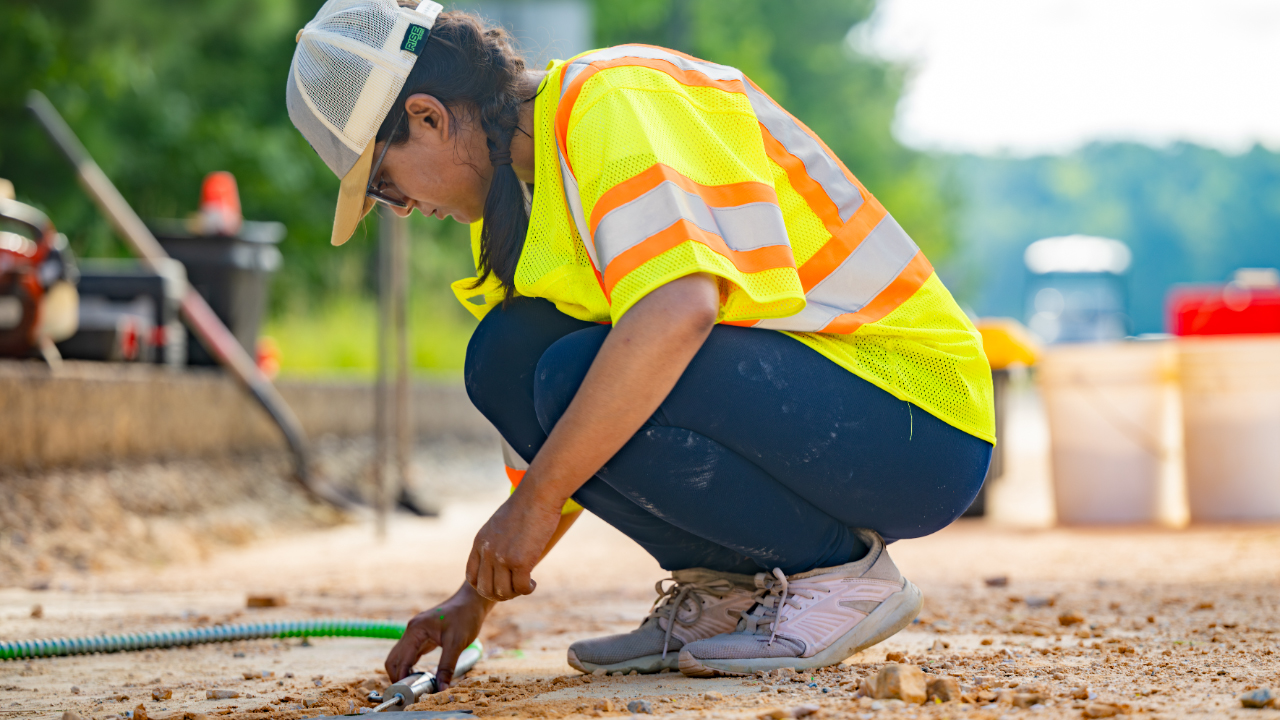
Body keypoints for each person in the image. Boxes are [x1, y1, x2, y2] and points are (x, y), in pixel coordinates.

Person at [287, 0, 994, 686]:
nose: (404, 210)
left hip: (914, 418)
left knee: (574, 371)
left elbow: (679, 311)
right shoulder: (521, 205)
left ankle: (840, 577)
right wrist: (475, 596)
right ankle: (727, 590)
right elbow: (552, 448)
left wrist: (532, 506)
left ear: (428, 116)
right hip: (819, 414)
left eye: (386, 184)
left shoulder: (611, 99)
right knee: (505, 357)